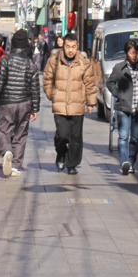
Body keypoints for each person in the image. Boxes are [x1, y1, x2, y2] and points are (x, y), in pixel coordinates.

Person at [0, 29, 40, 177]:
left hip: (7, 103)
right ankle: (15, 166)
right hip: (25, 103)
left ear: (13, 44)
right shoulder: (30, 63)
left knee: (2, 131)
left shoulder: (5, 60)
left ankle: (6, 151)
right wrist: (35, 108)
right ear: (25, 46)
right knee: (20, 134)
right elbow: (35, 86)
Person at [43, 30, 97, 175]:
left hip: (77, 105)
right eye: (68, 47)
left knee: (75, 138)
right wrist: (51, 94)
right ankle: (61, 153)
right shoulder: (54, 60)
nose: (70, 50)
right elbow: (47, 79)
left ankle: (71, 164)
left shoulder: (83, 62)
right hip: (60, 104)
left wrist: (90, 103)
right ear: (63, 46)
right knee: (62, 135)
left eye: (73, 47)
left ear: (77, 46)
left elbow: (90, 83)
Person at [106, 38, 138, 175]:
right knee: (123, 137)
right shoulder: (119, 68)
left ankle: (131, 162)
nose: (135, 55)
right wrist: (119, 94)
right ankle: (124, 162)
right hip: (123, 108)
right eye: (132, 52)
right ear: (127, 52)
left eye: (137, 52)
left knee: (135, 139)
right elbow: (109, 82)